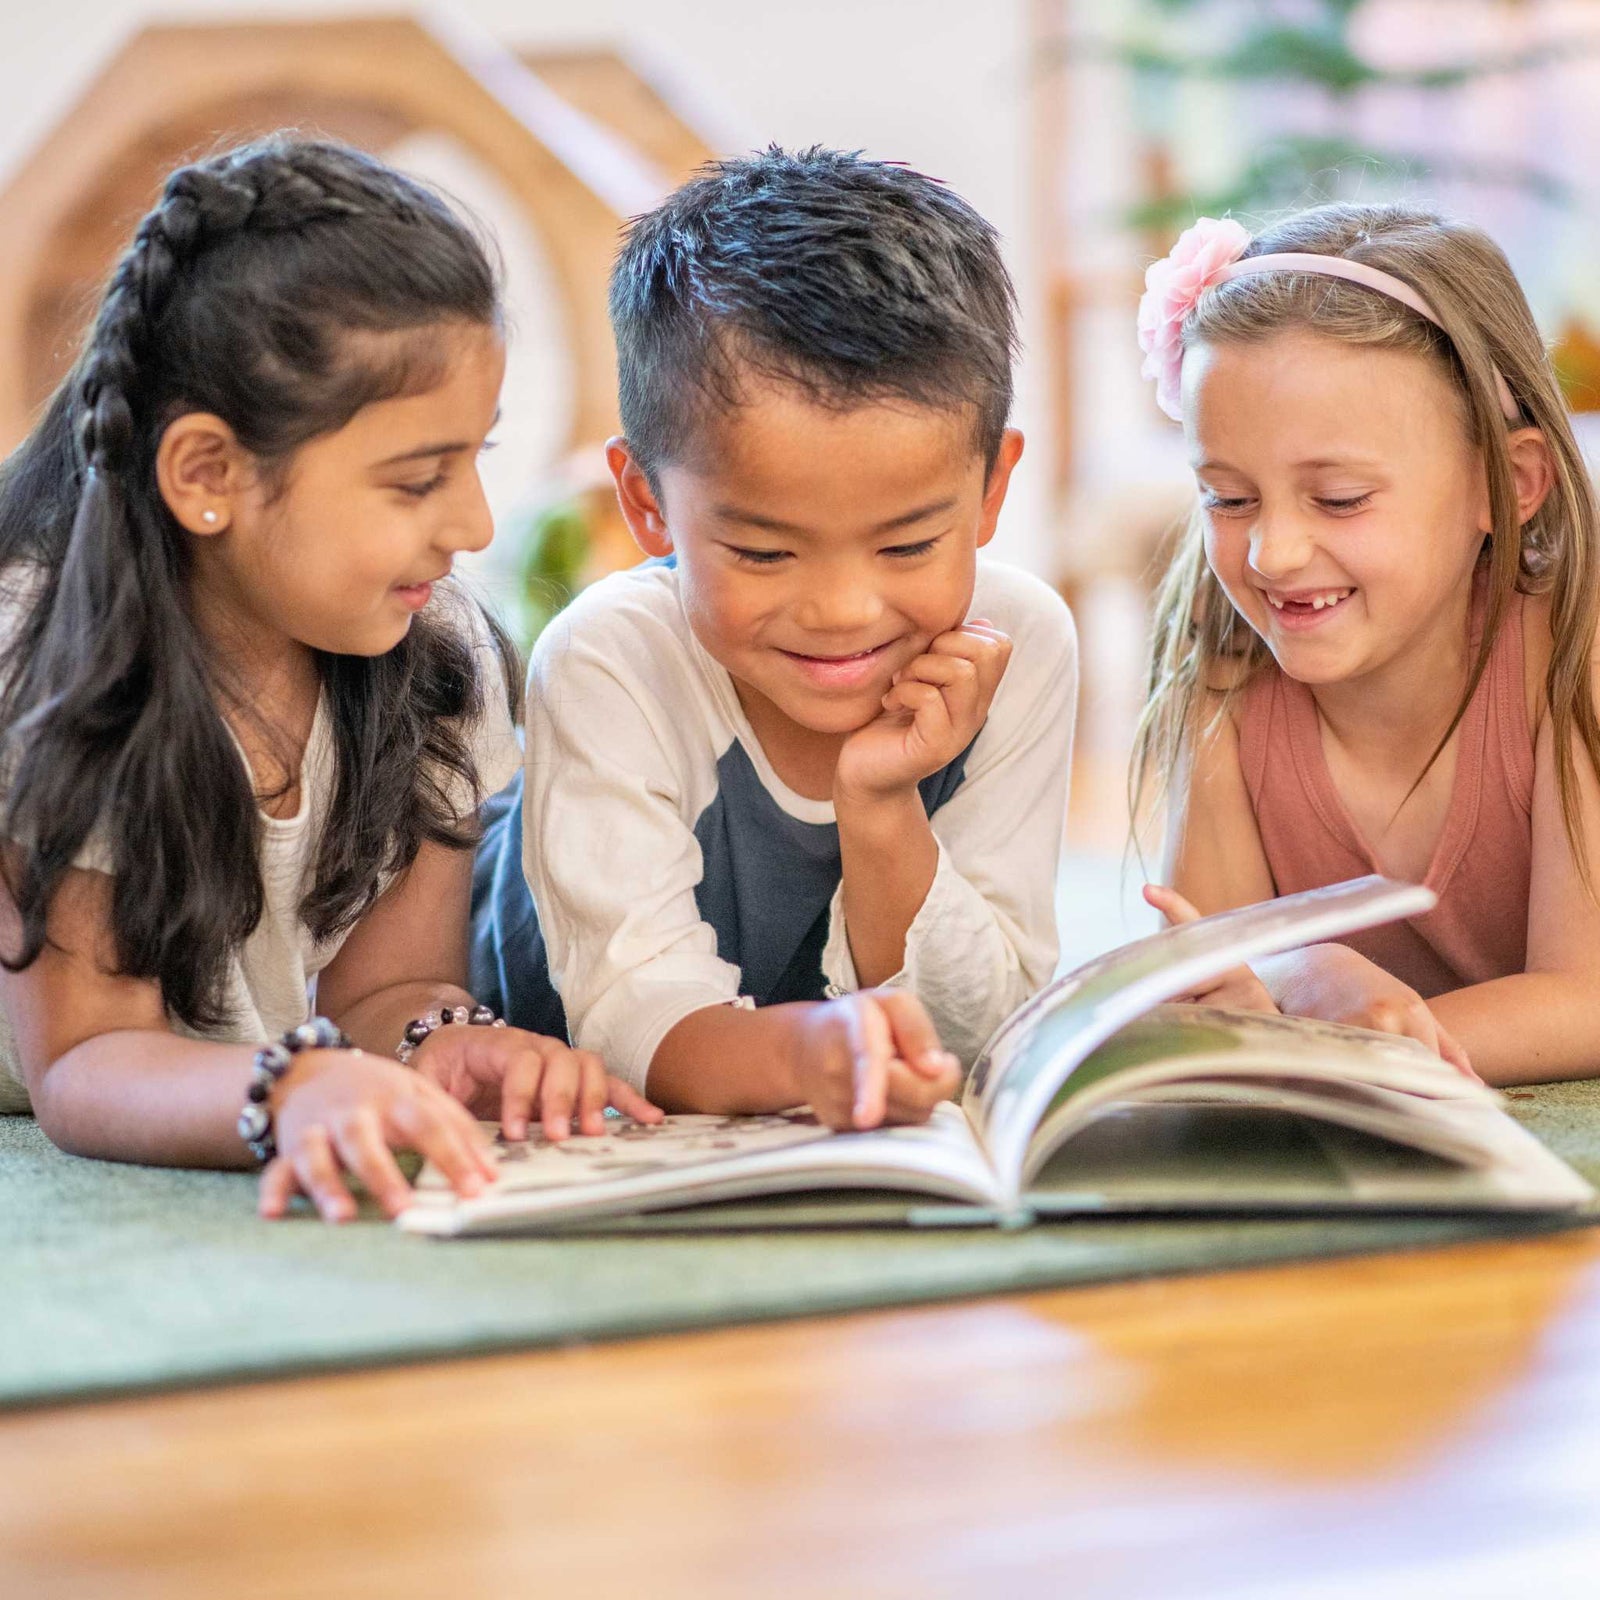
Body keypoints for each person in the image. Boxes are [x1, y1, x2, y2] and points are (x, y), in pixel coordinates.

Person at [0, 136, 658, 1224]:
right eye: (416, 481)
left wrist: (442, 1042)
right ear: (208, 475)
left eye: (475, 459)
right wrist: (290, 1083)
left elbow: (383, 990)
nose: (474, 525)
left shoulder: (429, 651)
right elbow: (84, 1060)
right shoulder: (50, 665)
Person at [472, 147, 1078, 1130]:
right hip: (545, 1025)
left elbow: (982, 1029)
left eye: (908, 542)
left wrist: (881, 806)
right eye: (761, 552)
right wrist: (821, 1054)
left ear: (992, 489)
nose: (843, 609)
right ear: (646, 503)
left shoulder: (1016, 644)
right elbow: (632, 1018)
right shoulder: (609, 659)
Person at [1132, 206, 1600, 1085]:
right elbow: (1204, 976)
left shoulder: (1574, 655)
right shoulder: (1224, 688)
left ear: (1510, 485)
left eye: (1340, 499)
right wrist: (1296, 968)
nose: (1273, 554)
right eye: (1229, 500)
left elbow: (1587, 997)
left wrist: (1350, 1038)